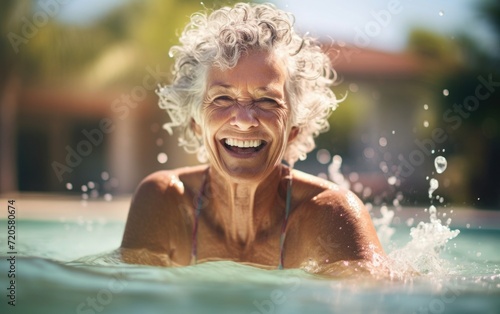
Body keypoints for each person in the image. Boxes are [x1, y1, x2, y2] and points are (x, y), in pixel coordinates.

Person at [120, 2, 384, 273]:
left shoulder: (331, 215)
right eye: (222, 98)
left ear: (295, 128)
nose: (244, 121)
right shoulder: (165, 200)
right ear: (195, 122)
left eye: (267, 100)